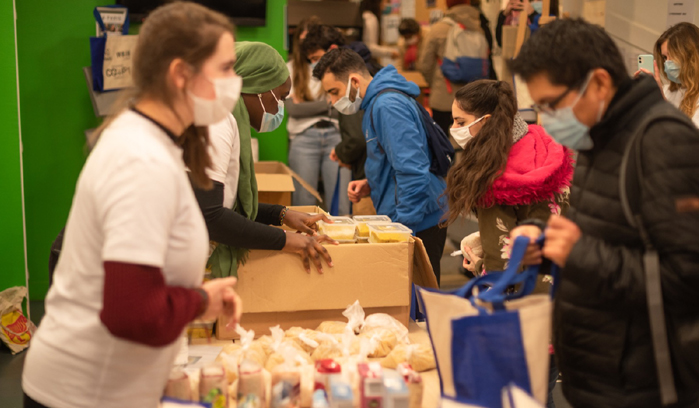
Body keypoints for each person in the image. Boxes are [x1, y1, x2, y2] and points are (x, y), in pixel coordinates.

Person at [22, 3, 243, 408]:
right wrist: (201, 301)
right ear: (180, 74)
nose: (236, 80)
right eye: (226, 68)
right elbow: (131, 313)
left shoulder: (153, 142)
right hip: (82, 393)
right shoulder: (141, 158)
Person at [509, 18, 699, 407]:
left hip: (642, 386)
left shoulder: (663, 141)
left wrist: (579, 253)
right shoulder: (601, 134)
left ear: (597, 84)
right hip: (598, 375)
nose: (546, 118)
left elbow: (688, 280)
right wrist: (544, 246)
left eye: (552, 104)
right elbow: (603, 233)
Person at [446, 79, 573, 408]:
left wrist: (481, 263)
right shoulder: (537, 144)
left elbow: (505, 263)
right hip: (566, 293)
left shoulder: (496, 174)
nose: (454, 129)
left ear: (485, 122)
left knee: (521, 397)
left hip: (525, 309)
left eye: (461, 122)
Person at [195, 41, 337, 278]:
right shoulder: (216, 122)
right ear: (257, 89)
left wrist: (282, 214)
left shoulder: (226, 119)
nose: (280, 107)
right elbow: (210, 215)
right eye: (280, 97)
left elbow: (227, 204)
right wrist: (286, 240)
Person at [313, 48, 448, 283]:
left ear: (354, 81)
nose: (333, 102)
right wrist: (372, 183)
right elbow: (398, 160)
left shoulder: (387, 106)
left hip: (418, 220)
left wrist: (400, 232)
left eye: (334, 92)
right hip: (413, 214)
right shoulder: (377, 103)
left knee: (418, 305)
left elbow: (413, 172)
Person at [302, 24, 381, 215]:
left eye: (315, 58)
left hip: (371, 182)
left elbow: (357, 138)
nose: (333, 101)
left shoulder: (355, 88)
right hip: (372, 180)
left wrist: (342, 152)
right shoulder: (372, 74)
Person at [286, 18, 351, 214]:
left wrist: (306, 105)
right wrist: (327, 104)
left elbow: (342, 105)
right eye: (304, 38)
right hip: (304, 137)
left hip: (335, 135)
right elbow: (293, 110)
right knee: (303, 203)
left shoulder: (336, 66)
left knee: (340, 204)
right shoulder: (290, 68)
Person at [418, 0, 491, 140]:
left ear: (448, 4)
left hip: (444, 96)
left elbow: (425, 64)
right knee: (472, 139)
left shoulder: (438, 29)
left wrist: (432, 84)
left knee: (440, 139)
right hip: (473, 96)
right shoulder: (480, 26)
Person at [635, 22, 699, 127]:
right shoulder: (668, 90)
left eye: (672, 55)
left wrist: (661, 101)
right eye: (665, 57)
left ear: (691, 56)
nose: (667, 63)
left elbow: (688, 139)